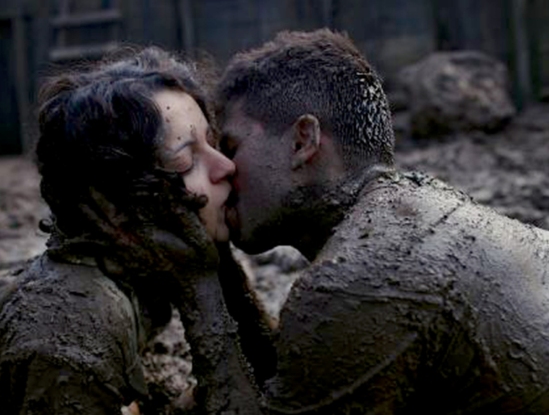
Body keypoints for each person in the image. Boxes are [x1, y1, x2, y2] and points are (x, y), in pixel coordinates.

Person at [168, 29, 549, 414]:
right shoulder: (417, 214)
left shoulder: (357, 280)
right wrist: (221, 269)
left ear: (302, 141)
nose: (223, 169)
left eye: (230, 147)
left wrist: (198, 280)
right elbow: (290, 375)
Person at [0, 47, 243, 414]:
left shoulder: (138, 265)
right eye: (186, 160)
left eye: (212, 142)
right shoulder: (76, 326)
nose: (226, 166)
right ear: (115, 207)